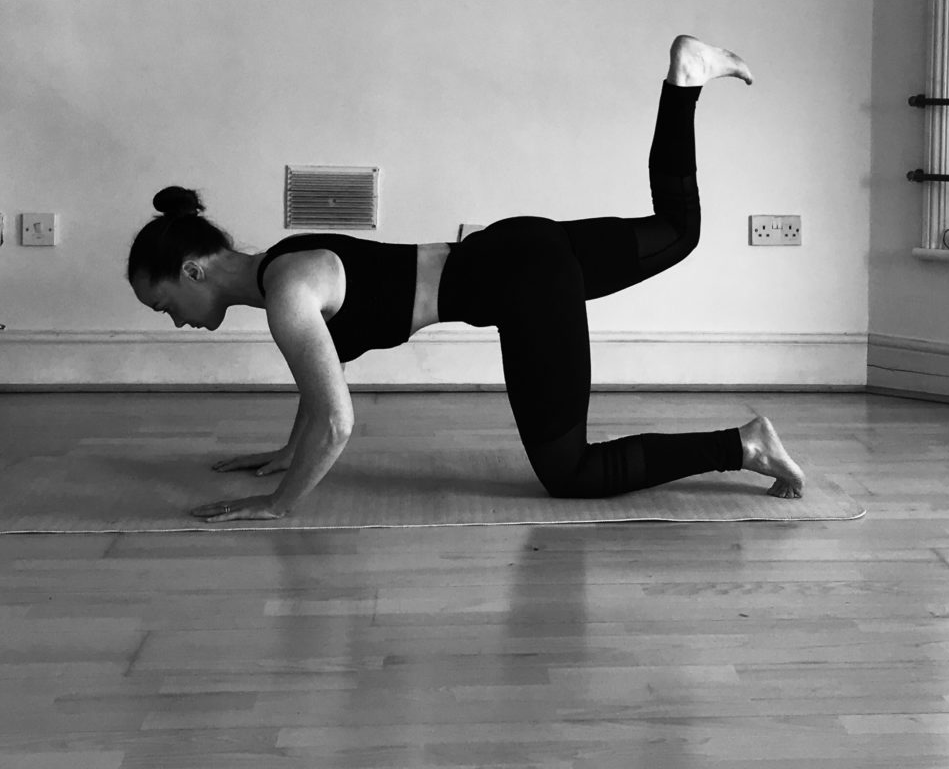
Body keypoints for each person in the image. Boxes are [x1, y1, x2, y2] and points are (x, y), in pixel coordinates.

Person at [128, 35, 805, 523]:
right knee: (679, 231)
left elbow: (336, 420)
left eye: (165, 304)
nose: (174, 318)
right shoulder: (289, 259)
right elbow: (319, 384)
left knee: (571, 473)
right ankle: (685, 81)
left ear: (193, 269)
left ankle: (743, 446)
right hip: (519, 244)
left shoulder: (287, 295)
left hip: (523, 281)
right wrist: (285, 451)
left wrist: (280, 506)